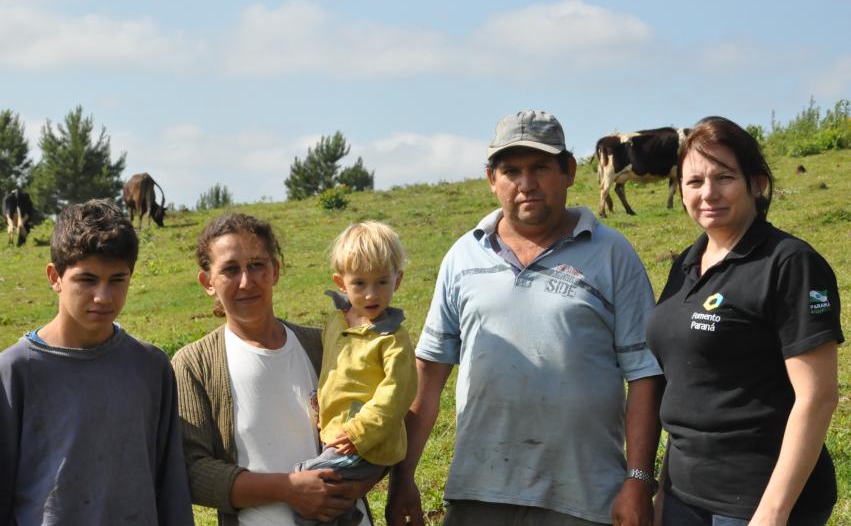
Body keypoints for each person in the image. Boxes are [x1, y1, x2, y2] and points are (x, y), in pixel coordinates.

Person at [386, 110, 664, 526]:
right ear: (491, 179)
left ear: (569, 171)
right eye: (511, 170)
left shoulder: (611, 254)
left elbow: (644, 374)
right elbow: (428, 376)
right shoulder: (463, 256)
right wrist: (403, 477)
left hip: (584, 497)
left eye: (541, 168)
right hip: (478, 493)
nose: (526, 183)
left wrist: (638, 480)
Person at [646, 117, 842, 526]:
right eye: (694, 181)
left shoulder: (789, 263)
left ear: (756, 183)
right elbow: (684, 385)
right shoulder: (685, 264)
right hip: (684, 498)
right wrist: (663, 490)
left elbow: (817, 396)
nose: (708, 193)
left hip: (757, 503)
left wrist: (772, 513)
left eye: (724, 177)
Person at [0, 199, 193, 525]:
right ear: (55, 276)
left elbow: (171, 490)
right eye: (86, 280)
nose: (103, 296)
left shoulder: (151, 367)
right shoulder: (14, 371)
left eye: (117, 279)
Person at [172, 213, 377, 526]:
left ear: (275, 270)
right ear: (207, 282)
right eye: (230, 269)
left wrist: (357, 483)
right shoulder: (193, 365)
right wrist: (289, 489)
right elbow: (192, 469)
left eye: (257, 265)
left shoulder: (324, 345)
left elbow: (381, 421)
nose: (246, 281)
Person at [294, 221, 418, 526]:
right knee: (334, 500)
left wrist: (359, 430)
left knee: (307, 483)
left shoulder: (392, 338)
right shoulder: (337, 321)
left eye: (381, 282)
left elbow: (396, 395)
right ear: (341, 282)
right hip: (337, 432)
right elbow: (333, 371)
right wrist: (322, 403)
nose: (371, 294)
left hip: (366, 441)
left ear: (397, 281)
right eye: (360, 284)